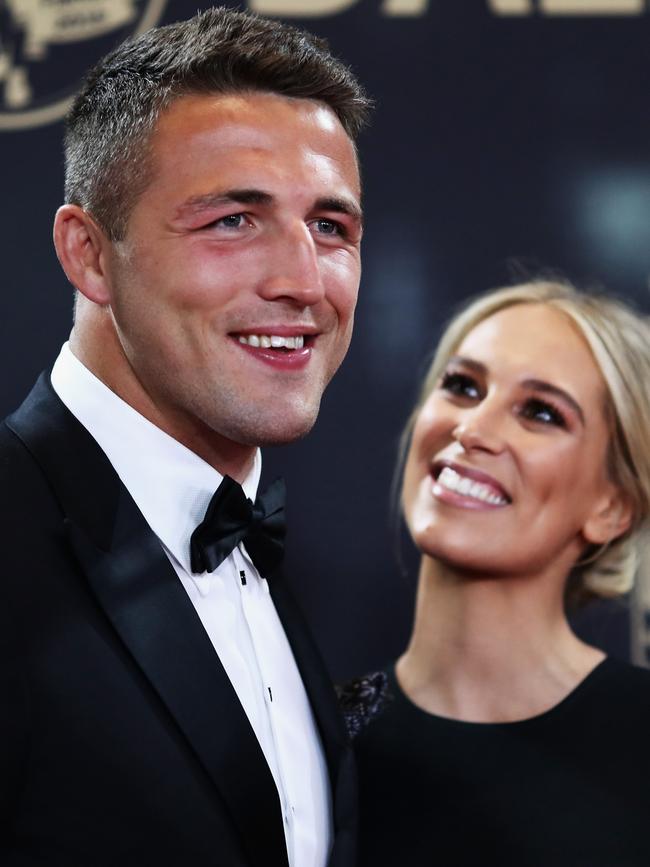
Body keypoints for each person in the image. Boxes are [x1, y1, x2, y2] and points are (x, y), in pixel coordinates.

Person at [0, 8, 371, 866]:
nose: (303, 281)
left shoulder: (273, 565)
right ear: (90, 254)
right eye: (233, 221)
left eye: (331, 227)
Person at [340, 280, 650, 866]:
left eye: (540, 412)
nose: (472, 429)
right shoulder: (308, 736)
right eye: (462, 386)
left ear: (612, 507)